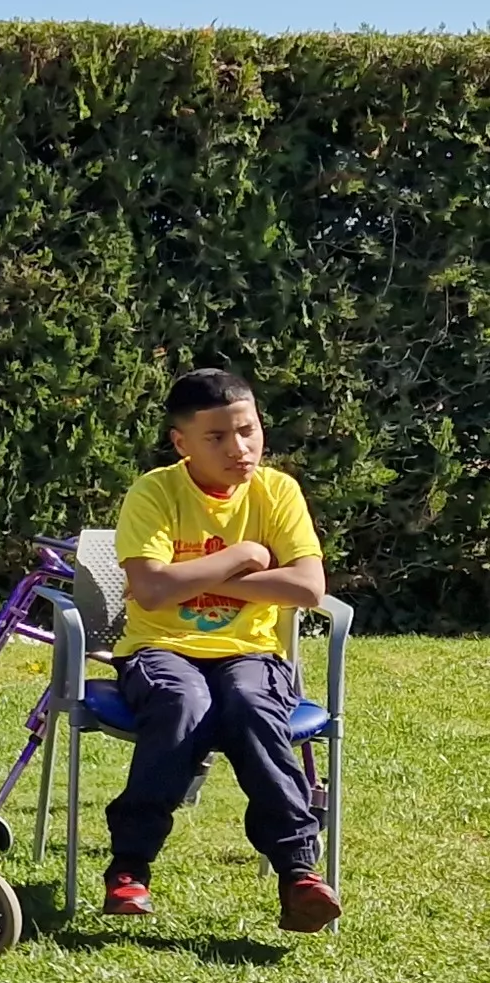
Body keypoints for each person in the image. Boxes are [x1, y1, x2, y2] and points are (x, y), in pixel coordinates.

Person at [99, 369, 340, 930]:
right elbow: (154, 594)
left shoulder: (277, 491)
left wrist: (195, 577)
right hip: (158, 648)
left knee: (251, 706)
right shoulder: (154, 493)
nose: (240, 449)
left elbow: (307, 588)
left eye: (249, 431)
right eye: (218, 438)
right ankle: (130, 866)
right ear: (181, 442)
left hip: (251, 654)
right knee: (182, 702)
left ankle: (299, 874)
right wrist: (246, 554)